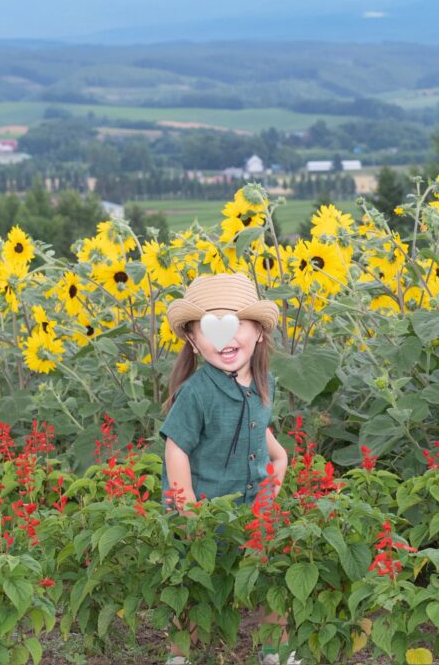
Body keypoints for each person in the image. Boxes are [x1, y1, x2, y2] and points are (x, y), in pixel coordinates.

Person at [158, 272, 299, 665]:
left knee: (271, 579)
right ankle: (179, 656)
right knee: (193, 584)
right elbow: (177, 448)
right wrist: (186, 509)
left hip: (253, 504)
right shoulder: (196, 392)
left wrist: (279, 460)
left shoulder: (264, 381)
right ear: (193, 339)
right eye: (211, 328)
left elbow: (258, 425)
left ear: (259, 333)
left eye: (238, 324)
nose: (226, 338)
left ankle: (276, 653)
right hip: (204, 505)